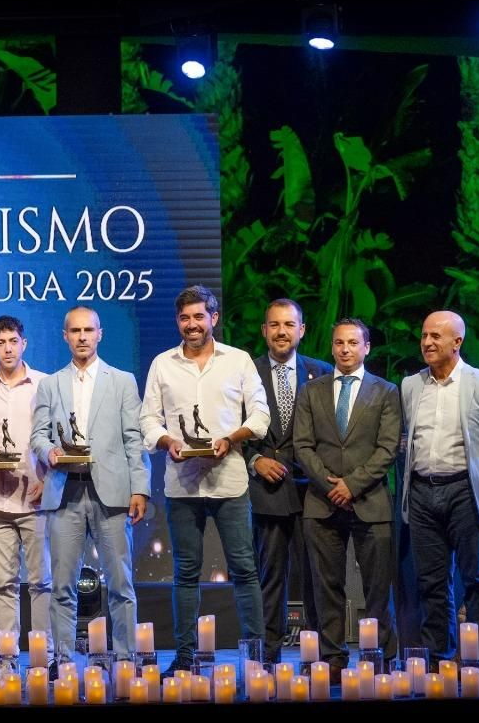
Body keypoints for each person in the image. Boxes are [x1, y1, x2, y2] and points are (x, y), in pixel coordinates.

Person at [139, 286, 269, 674]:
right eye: (184, 318)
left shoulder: (239, 360)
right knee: (185, 573)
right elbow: (148, 419)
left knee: (244, 569)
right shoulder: (163, 363)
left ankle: (256, 657)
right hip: (183, 483)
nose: (192, 324)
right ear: (177, 321)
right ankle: (184, 658)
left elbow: (259, 416)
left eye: (199, 316)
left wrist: (231, 439)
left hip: (229, 481)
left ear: (214, 318)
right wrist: (166, 441)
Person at [30, 307, 150, 666]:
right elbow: (38, 434)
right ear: (65, 336)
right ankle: (63, 661)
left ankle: (126, 659)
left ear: (100, 334)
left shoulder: (123, 381)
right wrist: (48, 450)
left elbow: (134, 439)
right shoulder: (50, 384)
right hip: (65, 491)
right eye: (75, 331)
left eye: (88, 330)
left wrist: (140, 489)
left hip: (111, 493)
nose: (82, 337)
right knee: (62, 586)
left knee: (121, 585)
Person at [400, 310, 479, 664]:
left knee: (477, 580)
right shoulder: (411, 385)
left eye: (436, 336)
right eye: (424, 335)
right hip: (422, 493)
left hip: (467, 493)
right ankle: (439, 656)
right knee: (431, 582)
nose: (427, 343)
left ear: (458, 341)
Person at [293, 318, 401, 671]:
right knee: (327, 589)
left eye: (353, 343)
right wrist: (330, 485)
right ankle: (332, 659)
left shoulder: (385, 392)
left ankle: (382, 658)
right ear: (332, 346)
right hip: (321, 504)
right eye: (339, 343)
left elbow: (387, 449)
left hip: (370, 502)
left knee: (377, 590)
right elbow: (302, 446)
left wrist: (351, 486)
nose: (345, 349)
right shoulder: (311, 391)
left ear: (366, 347)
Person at [244, 299, 333, 663]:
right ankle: (268, 657)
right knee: (271, 578)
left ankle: (318, 657)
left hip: (314, 492)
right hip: (268, 490)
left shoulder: (323, 372)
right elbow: (230, 425)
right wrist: (255, 459)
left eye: (289, 325)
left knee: (316, 577)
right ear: (264, 330)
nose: (281, 332)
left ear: (302, 330)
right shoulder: (246, 371)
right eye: (274, 325)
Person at [0, 317, 50, 658]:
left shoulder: (44, 384)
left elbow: (58, 437)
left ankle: (43, 656)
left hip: (37, 499)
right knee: (3, 584)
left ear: (24, 344)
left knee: (42, 583)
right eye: (0, 342)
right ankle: (7, 657)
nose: (7, 348)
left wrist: (49, 480)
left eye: (13, 341)